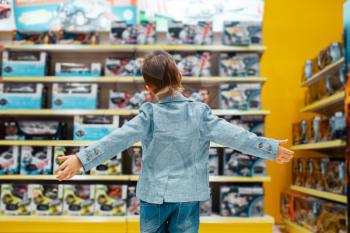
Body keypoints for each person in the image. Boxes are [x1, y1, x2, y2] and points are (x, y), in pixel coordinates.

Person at [55, 50, 293, 233]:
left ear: (148, 87)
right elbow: (237, 137)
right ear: (180, 77)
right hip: (188, 197)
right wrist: (271, 149)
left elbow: (116, 140)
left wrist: (80, 159)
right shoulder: (201, 113)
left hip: (153, 196)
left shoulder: (148, 114)